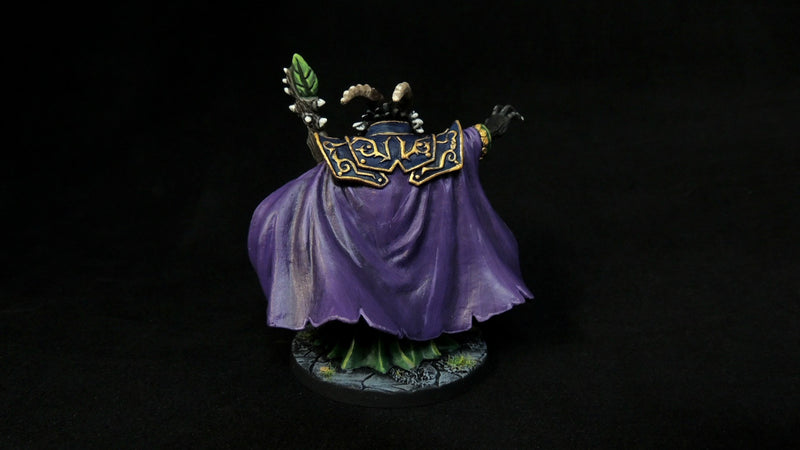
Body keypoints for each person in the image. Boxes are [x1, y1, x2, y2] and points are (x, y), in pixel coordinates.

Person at [247, 54, 532, 371]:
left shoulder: (344, 157)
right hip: (408, 279)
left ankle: (370, 333)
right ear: (411, 122)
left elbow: (314, 157)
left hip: (363, 269)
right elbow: (467, 142)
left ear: (367, 125)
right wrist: (490, 127)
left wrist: (310, 116)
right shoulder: (436, 150)